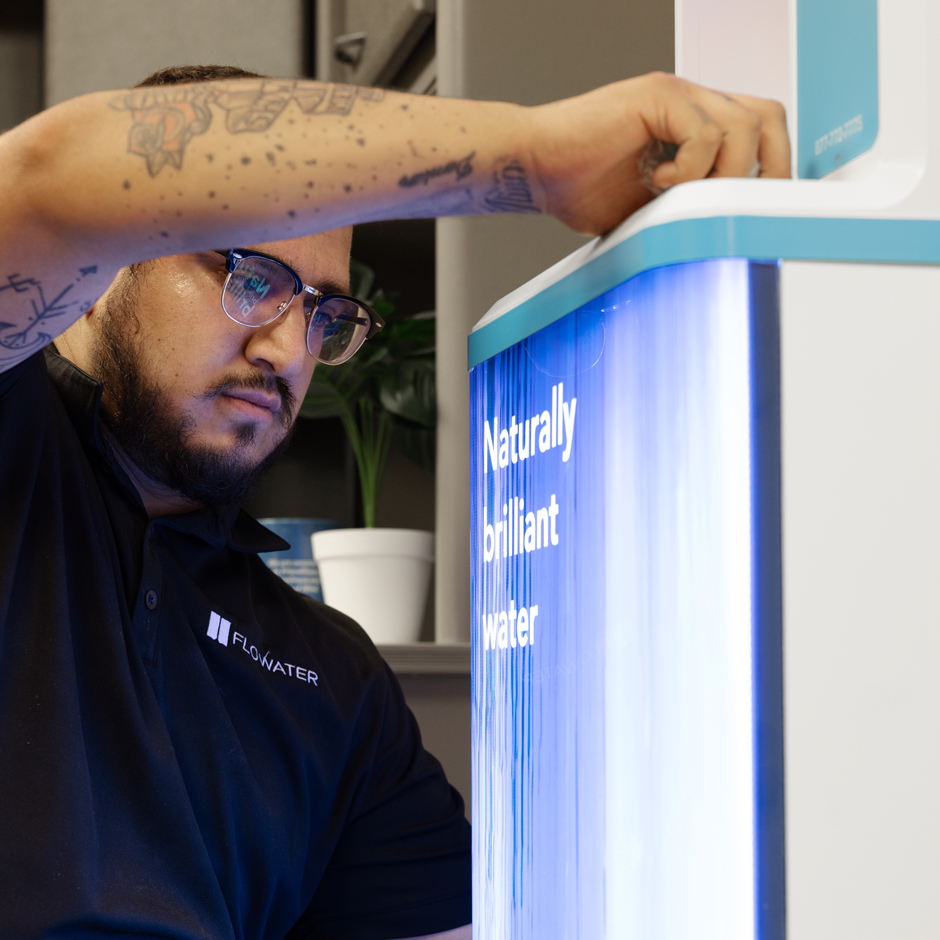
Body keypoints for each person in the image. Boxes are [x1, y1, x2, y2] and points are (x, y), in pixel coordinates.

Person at [0, 63, 789, 938]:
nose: (288, 351)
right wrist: (534, 154)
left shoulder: (330, 676)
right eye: (252, 277)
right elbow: (44, 182)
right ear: (104, 271)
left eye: (323, 314)